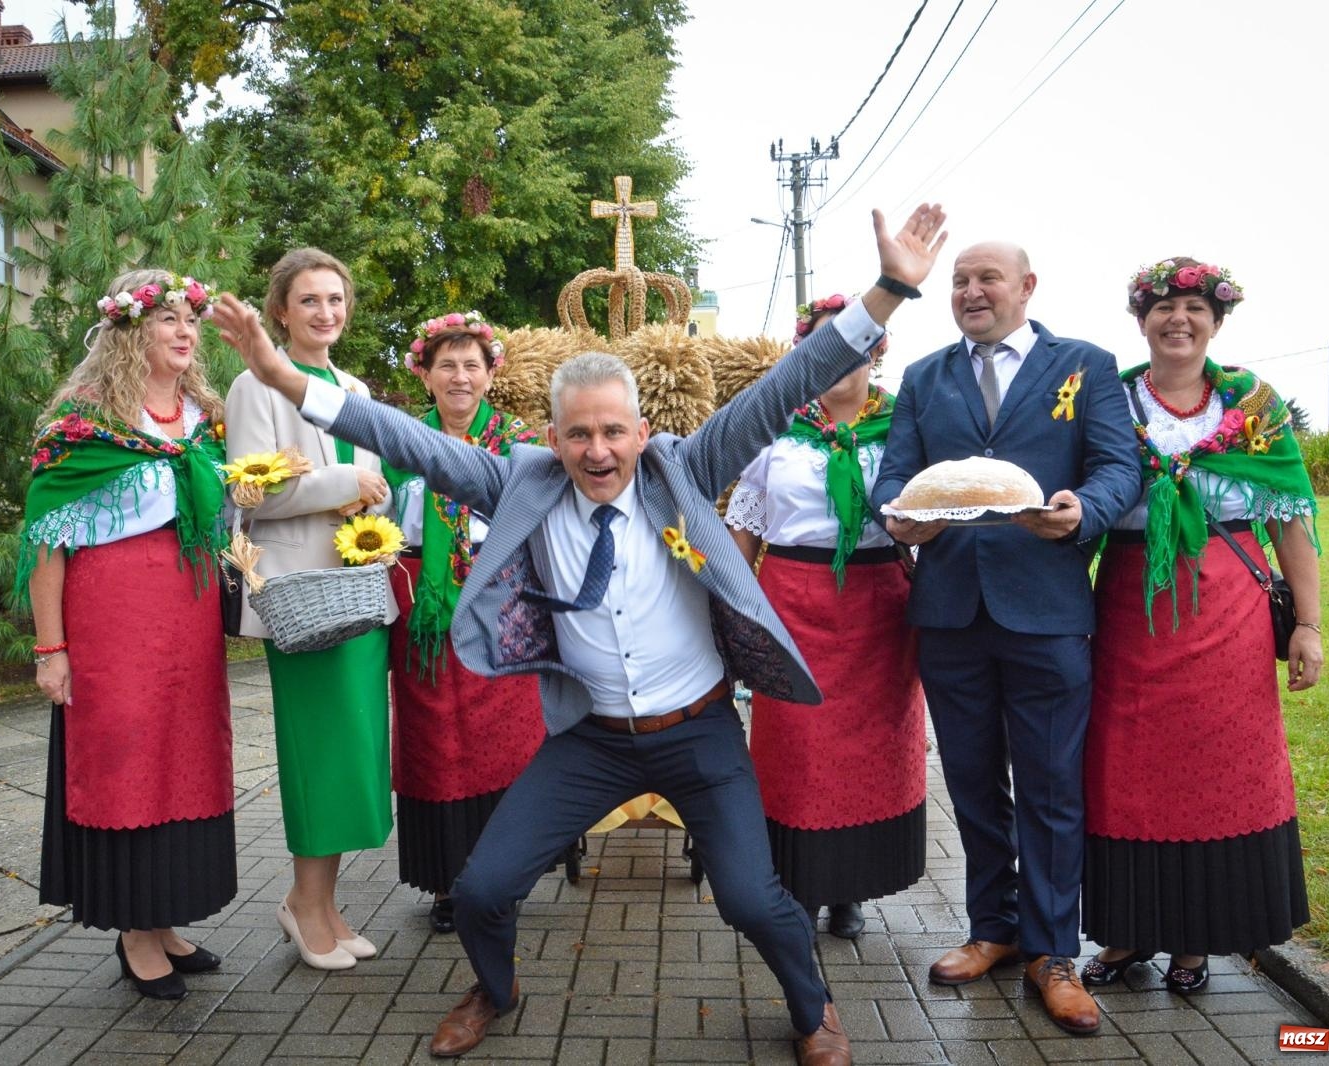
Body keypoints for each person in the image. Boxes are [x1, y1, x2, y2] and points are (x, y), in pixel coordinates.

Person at [214, 202, 952, 1066]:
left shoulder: (690, 467)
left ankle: (813, 1006)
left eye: (612, 432)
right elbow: (401, 437)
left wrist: (890, 288)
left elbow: (787, 384)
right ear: (553, 439)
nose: (597, 452)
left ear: (642, 431)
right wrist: (281, 375)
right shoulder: (520, 484)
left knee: (752, 899)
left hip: (699, 734)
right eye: (578, 435)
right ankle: (495, 989)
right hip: (592, 739)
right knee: (484, 888)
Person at [870, 242, 1143, 1035]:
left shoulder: (1085, 366)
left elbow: (1117, 468)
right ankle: (993, 928)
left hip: (1047, 612)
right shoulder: (925, 377)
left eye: (987, 278)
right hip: (950, 613)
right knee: (973, 784)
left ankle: (1053, 952)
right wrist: (897, 517)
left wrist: (1084, 511)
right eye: (959, 281)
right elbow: (894, 476)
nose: (970, 291)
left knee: (1051, 787)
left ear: (1027, 286)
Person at [1079, 259, 1321, 993]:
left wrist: (1308, 626)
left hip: (1229, 613)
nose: (1177, 319)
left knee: (1216, 767)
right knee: (1123, 769)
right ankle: (1127, 931)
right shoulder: (1110, 401)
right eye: (1162, 307)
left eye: (1193, 308)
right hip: (1130, 611)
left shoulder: (1253, 405)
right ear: (1141, 319)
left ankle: (1194, 941)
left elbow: (1289, 518)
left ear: (1217, 321)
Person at [23, 269, 235, 1001]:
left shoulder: (202, 418)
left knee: (185, 754)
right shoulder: (84, 420)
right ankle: (135, 934)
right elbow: (47, 541)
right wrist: (51, 649)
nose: (185, 331)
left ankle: (165, 918)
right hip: (111, 618)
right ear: (128, 330)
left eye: (190, 320)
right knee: (127, 759)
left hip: (188, 615)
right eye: (167, 319)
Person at [725, 294, 925, 941]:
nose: (840, 357)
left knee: (870, 751)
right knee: (796, 749)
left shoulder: (906, 424)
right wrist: (730, 608)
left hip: (879, 610)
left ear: (877, 350)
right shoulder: (775, 427)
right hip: (791, 604)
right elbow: (744, 524)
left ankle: (851, 888)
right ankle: (800, 884)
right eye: (823, 344)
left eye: (855, 342)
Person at [225, 248, 393, 970]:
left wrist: (372, 498)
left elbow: (376, 482)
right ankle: (302, 903)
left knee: (355, 752)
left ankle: (321, 904)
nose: (326, 312)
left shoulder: (353, 387)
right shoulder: (253, 385)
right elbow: (249, 493)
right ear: (280, 312)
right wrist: (346, 481)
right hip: (299, 598)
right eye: (309, 300)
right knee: (317, 752)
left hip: (356, 589)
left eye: (335, 299)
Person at [384, 311, 545, 935]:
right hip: (423, 613)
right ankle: (448, 882)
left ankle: (502, 879)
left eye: (470, 366)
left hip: (500, 606)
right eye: (446, 365)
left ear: (490, 375)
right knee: (434, 740)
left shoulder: (519, 445)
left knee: (505, 743)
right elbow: (378, 520)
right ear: (425, 376)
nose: (459, 377)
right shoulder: (399, 442)